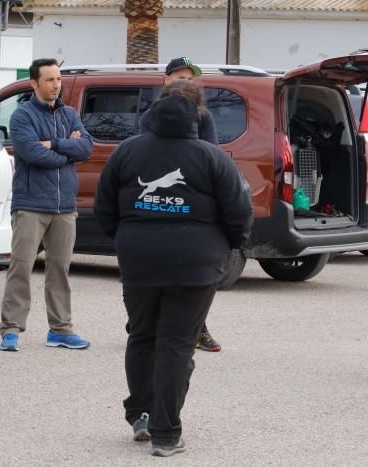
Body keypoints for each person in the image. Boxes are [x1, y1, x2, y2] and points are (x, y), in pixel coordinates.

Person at [94, 79, 253, 458]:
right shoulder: (213, 157)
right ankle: (166, 435)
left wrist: (128, 239)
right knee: (177, 345)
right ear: (200, 113)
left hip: (139, 261)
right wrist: (227, 247)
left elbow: (104, 208)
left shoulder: (126, 151)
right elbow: (239, 213)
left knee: (142, 336)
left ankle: (141, 415)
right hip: (196, 265)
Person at [0, 58, 94, 352]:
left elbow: (87, 147)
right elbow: (32, 154)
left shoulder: (69, 114)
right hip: (31, 205)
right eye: (50, 80)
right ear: (34, 84)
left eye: (58, 80)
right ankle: (11, 329)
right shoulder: (22, 116)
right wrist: (67, 148)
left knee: (60, 269)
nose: (56, 85)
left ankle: (61, 330)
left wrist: (54, 144)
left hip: (65, 206)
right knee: (21, 267)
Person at [139, 56, 222, 353]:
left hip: (192, 201)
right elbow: (146, 157)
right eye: (180, 77)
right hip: (160, 204)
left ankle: (198, 328)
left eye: (190, 78)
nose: (186, 83)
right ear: (166, 80)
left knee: (195, 272)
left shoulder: (204, 117)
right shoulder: (150, 117)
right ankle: (145, 324)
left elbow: (211, 155)